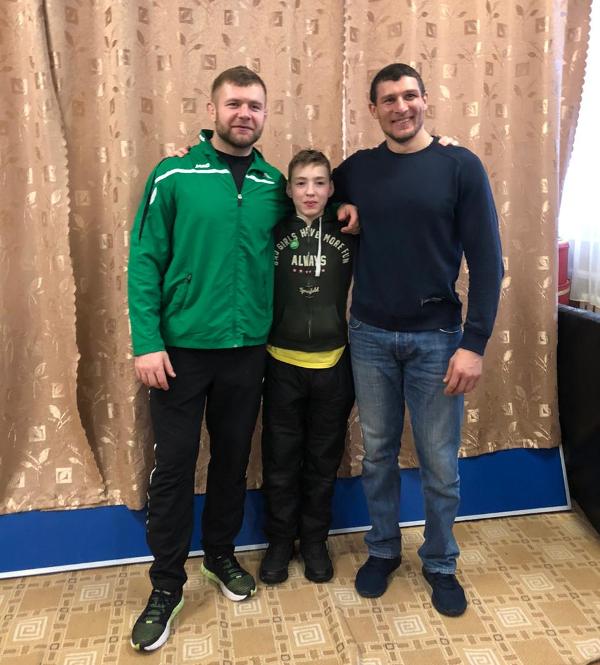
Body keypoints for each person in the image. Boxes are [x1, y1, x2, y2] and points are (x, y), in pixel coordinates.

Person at [127, 66, 356, 652]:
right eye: (234, 104)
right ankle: (165, 586)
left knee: (231, 463)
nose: (244, 114)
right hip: (179, 352)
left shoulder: (272, 184)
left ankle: (220, 555)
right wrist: (147, 341)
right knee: (175, 468)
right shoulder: (173, 173)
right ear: (212, 110)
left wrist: (350, 205)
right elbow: (144, 258)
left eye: (254, 105)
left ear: (265, 114)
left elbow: (316, 205)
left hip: (248, 351)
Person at [332, 63, 503, 617]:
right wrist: (339, 206)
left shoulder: (459, 165)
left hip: (439, 341)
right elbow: (306, 189)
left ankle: (440, 562)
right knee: (377, 455)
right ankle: (383, 549)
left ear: (426, 100)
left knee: (439, 463)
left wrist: (474, 344)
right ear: (373, 109)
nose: (400, 107)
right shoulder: (358, 170)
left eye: (410, 96)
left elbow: (487, 260)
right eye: (389, 99)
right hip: (369, 337)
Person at [259, 150, 356, 586]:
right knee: (280, 460)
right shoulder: (273, 228)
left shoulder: (349, 228)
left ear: (332, 188)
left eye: (319, 182)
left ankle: (315, 541)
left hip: (334, 365)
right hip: (281, 363)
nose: (310, 192)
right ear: (289, 189)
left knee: (322, 460)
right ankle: (280, 542)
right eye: (301, 183)